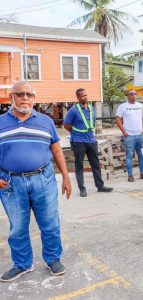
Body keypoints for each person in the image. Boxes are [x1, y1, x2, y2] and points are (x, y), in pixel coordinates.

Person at [0, 82, 71, 282]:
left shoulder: (46, 121)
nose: (25, 98)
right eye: (20, 94)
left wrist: (66, 178)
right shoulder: (0, 122)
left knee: (50, 223)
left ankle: (53, 259)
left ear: (34, 98)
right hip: (11, 183)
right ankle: (22, 264)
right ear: (11, 97)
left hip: (44, 180)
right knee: (18, 227)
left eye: (29, 94)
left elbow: (57, 150)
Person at [63, 89, 113, 197]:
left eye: (86, 95)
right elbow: (66, 125)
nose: (85, 97)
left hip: (91, 140)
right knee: (79, 165)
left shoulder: (92, 108)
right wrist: (75, 133)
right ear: (77, 97)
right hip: (78, 141)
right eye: (82, 96)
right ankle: (82, 189)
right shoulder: (73, 110)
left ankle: (100, 186)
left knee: (95, 164)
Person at [116, 89, 143, 182]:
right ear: (127, 96)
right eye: (131, 94)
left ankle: (142, 173)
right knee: (129, 156)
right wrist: (124, 132)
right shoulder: (123, 107)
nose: (134, 95)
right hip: (129, 136)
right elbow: (118, 120)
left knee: (141, 155)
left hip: (140, 135)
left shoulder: (141, 106)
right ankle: (130, 175)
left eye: (135, 94)